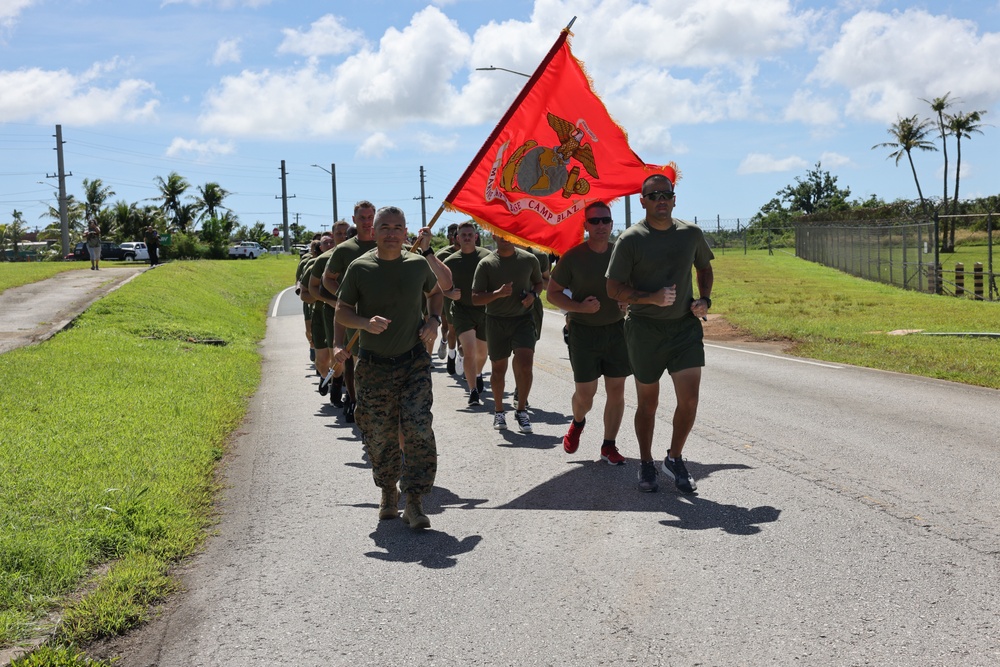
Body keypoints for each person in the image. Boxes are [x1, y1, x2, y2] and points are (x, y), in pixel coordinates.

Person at [333, 206, 444, 529]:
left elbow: (436, 294)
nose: (392, 233)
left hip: (413, 362)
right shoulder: (360, 268)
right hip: (373, 367)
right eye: (385, 227)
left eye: (398, 227)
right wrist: (364, 323)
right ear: (374, 231)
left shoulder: (417, 265)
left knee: (418, 428)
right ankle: (387, 492)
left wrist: (433, 320)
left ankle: (415, 501)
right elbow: (341, 311)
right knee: (379, 435)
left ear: (406, 231)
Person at [606, 174, 714, 494]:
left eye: (666, 194)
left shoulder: (691, 234)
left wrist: (704, 299)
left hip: (684, 328)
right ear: (643, 201)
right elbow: (613, 288)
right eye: (653, 196)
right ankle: (646, 462)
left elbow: (704, 268)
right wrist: (650, 298)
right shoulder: (631, 239)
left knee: (690, 399)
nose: (661, 200)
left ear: (675, 199)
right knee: (648, 404)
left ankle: (674, 457)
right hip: (644, 330)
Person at [547, 201, 630, 465]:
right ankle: (578, 422)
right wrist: (579, 307)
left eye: (605, 220)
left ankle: (609, 445)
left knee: (617, 391)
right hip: (583, 333)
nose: (601, 225)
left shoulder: (621, 254)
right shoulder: (573, 257)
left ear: (611, 223)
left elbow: (632, 287)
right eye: (594, 221)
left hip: (617, 331)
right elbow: (552, 294)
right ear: (585, 225)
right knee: (586, 394)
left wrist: (627, 301)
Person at [471, 236, 543, 433]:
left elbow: (539, 283)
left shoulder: (529, 260)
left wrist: (533, 296)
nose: (504, 238)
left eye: (507, 234)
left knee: (525, 363)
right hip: (496, 321)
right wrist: (497, 294)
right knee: (498, 369)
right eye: (499, 234)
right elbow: (476, 298)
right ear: (493, 236)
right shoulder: (486, 264)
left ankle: (521, 410)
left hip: (523, 320)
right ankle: (499, 411)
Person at [324, 202, 378, 422]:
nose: (367, 221)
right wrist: (347, 300)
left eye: (370, 217)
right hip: (355, 318)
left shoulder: (385, 243)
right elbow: (328, 279)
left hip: (386, 316)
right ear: (354, 220)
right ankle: (356, 402)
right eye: (362, 217)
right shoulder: (344, 250)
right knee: (356, 364)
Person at [442, 222, 492, 406]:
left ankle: (478, 374)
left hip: (484, 310)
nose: (467, 237)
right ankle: (472, 392)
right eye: (463, 235)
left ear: (476, 236)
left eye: (470, 234)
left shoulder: (487, 257)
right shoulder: (450, 262)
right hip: (462, 310)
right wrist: (448, 293)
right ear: (457, 238)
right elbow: (437, 287)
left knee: (482, 353)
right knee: (470, 351)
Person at [435, 223, 461, 372]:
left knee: (461, 330)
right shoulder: (443, 255)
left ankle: (459, 357)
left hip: (464, 299)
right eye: (453, 234)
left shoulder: (472, 252)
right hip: (446, 297)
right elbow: (434, 280)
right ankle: (444, 341)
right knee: (447, 328)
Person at [296, 238, 322, 361]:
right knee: (309, 329)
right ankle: (312, 346)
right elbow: (299, 281)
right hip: (310, 301)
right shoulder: (307, 262)